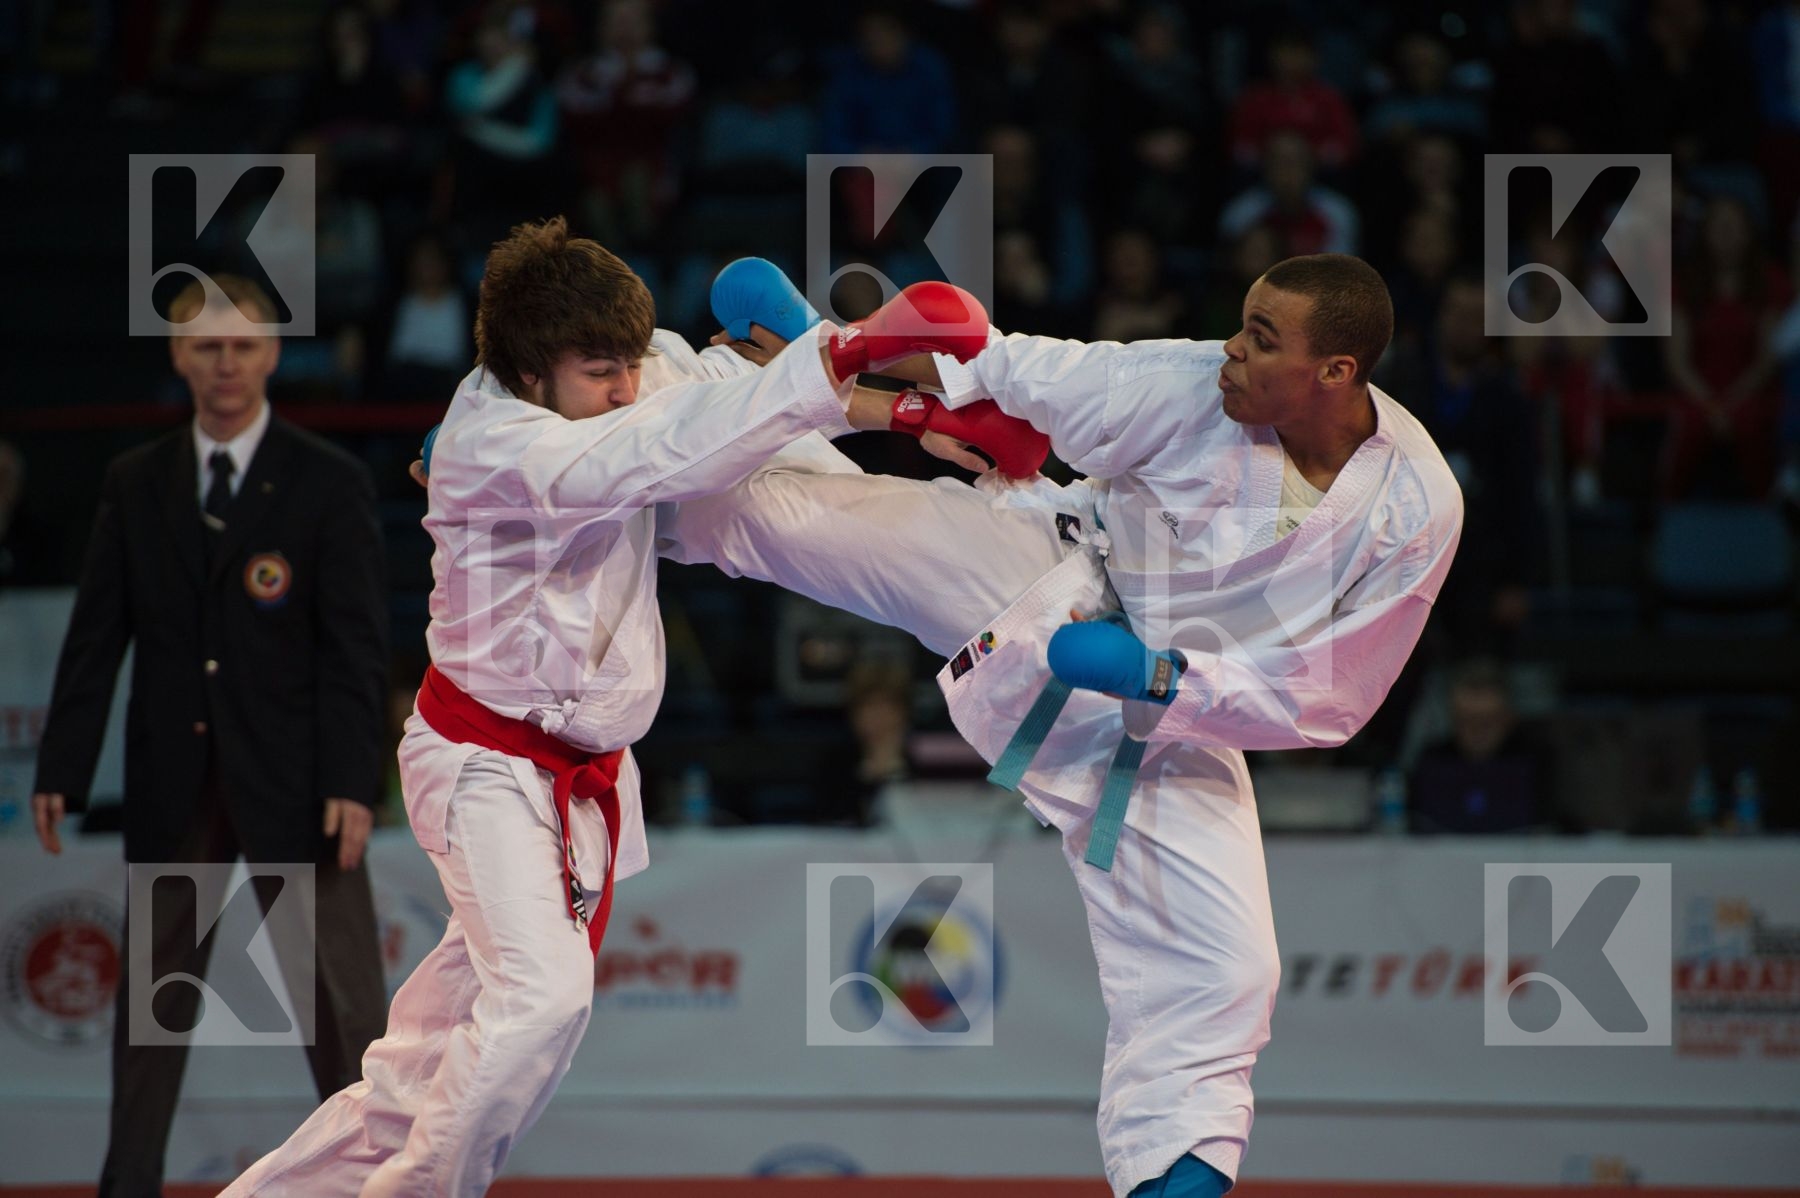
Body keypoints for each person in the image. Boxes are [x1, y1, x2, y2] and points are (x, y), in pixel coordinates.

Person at [217, 222, 1026, 1197]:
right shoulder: (498, 448)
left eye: (626, 363)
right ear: (525, 371)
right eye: (601, 370)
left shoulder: (609, 383)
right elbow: (656, 443)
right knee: (542, 1000)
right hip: (491, 766)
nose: (625, 386)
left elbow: (693, 386)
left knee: (415, 1078)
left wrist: (899, 411)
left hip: (580, 774)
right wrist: (842, 353)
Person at [660, 253, 1464, 1197]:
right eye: (1240, 324)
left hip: (1175, 716)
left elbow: (1335, 697)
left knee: (1229, 974)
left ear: (1338, 372)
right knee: (793, 522)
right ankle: (662, 394)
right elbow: (1014, 363)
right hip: (1045, 571)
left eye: (1261, 340)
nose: (1232, 354)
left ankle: (1174, 1184)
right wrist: (884, 353)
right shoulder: (1187, 385)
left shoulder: (1414, 508)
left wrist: (1168, 680)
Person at [30, 274, 389, 1198]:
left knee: (342, 1014)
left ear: (272, 353)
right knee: (150, 1020)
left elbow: (357, 649)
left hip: (304, 785)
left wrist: (357, 780)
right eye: (206, 347)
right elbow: (96, 635)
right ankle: (129, 1189)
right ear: (178, 356)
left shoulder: (327, 482)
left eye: (242, 346)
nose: (225, 364)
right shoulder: (136, 481)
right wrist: (63, 766)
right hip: (174, 779)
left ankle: (385, 1184)